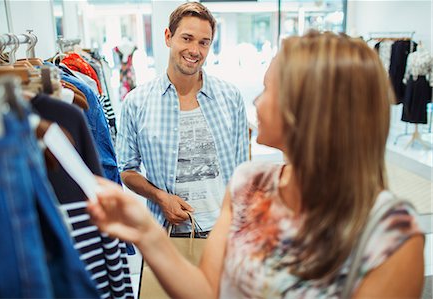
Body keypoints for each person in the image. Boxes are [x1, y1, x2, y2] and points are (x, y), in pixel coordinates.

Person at [90, 31, 425, 298]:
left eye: (267, 89)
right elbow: (207, 290)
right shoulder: (250, 184)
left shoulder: (390, 237)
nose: (255, 101)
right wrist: (147, 232)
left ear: (306, 110)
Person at [116, 2, 249, 234]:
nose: (195, 50)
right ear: (168, 37)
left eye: (203, 42)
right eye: (187, 38)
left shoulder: (230, 97)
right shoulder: (136, 102)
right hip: (168, 232)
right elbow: (126, 170)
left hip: (223, 230)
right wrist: (160, 197)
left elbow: (241, 169)